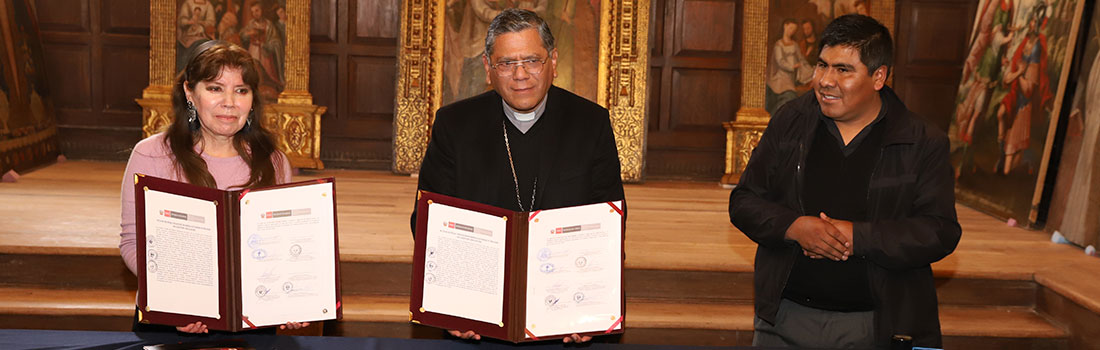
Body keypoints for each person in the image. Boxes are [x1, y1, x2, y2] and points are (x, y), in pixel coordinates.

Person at [728, 14, 961, 348]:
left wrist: (859, 237)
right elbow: (744, 201)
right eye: (822, 65)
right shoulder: (790, 121)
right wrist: (795, 227)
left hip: (876, 324)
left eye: (843, 70)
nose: (825, 80)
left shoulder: (921, 140)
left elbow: (939, 231)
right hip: (784, 318)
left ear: (879, 76)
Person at [412, 8, 625, 343]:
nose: (521, 74)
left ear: (553, 61)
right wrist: (451, 306)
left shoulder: (590, 123)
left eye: (532, 60)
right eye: (506, 63)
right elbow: (428, 220)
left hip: (563, 316)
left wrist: (591, 308)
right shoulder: (455, 125)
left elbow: (608, 221)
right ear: (488, 68)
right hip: (478, 316)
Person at [118, 40, 306, 334]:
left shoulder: (274, 161)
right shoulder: (151, 155)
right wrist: (175, 301)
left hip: (251, 321)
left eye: (241, 90)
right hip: (174, 320)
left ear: (253, 99)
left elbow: (281, 250)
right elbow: (132, 242)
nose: (229, 102)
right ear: (190, 93)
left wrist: (289, 298)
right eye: (215, 88)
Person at [766, 19, 814, 115]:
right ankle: (775, 118)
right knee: (789, 96)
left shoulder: (795, 44)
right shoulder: (778, 44)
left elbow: (801, 59)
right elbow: (780, 61)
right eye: (791, 28)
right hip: (780, 77)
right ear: (785, 26)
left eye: (794, 29)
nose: (792, 31)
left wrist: (811, 70)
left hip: (790, 76)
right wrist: (792, 66)